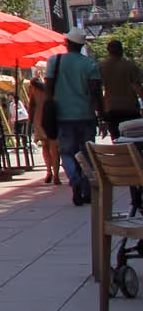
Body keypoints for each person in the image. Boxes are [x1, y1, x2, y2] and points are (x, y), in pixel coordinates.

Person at [51, 28, 102, 206]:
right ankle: (87, 189)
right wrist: (101, 114)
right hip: (86, 115)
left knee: (67, 152)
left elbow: (49, 88)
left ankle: (75, 181)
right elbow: (96, 93)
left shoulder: (54, 62)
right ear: (82, 45)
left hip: (63, 116)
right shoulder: (90, 64)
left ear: (67, 43)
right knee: (87, 154)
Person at [100, 39, 142, 140]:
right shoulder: (130, 65)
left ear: (108, 50)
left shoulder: (102, 66)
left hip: (111, 108)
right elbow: (138, 87)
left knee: (116, 139)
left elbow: (97, 89)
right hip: (130, 107)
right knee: (133, 139)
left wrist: (100, 112)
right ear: (121, 50)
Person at [29, 73, 60, 185]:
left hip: (39, 118)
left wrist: (31, 120)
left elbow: (31, 106)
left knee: (45, 146)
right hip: (51, 117)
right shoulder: (53, 87)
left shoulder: (34, 88)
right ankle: (56, 175)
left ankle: (48, 171)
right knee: (54, 148)